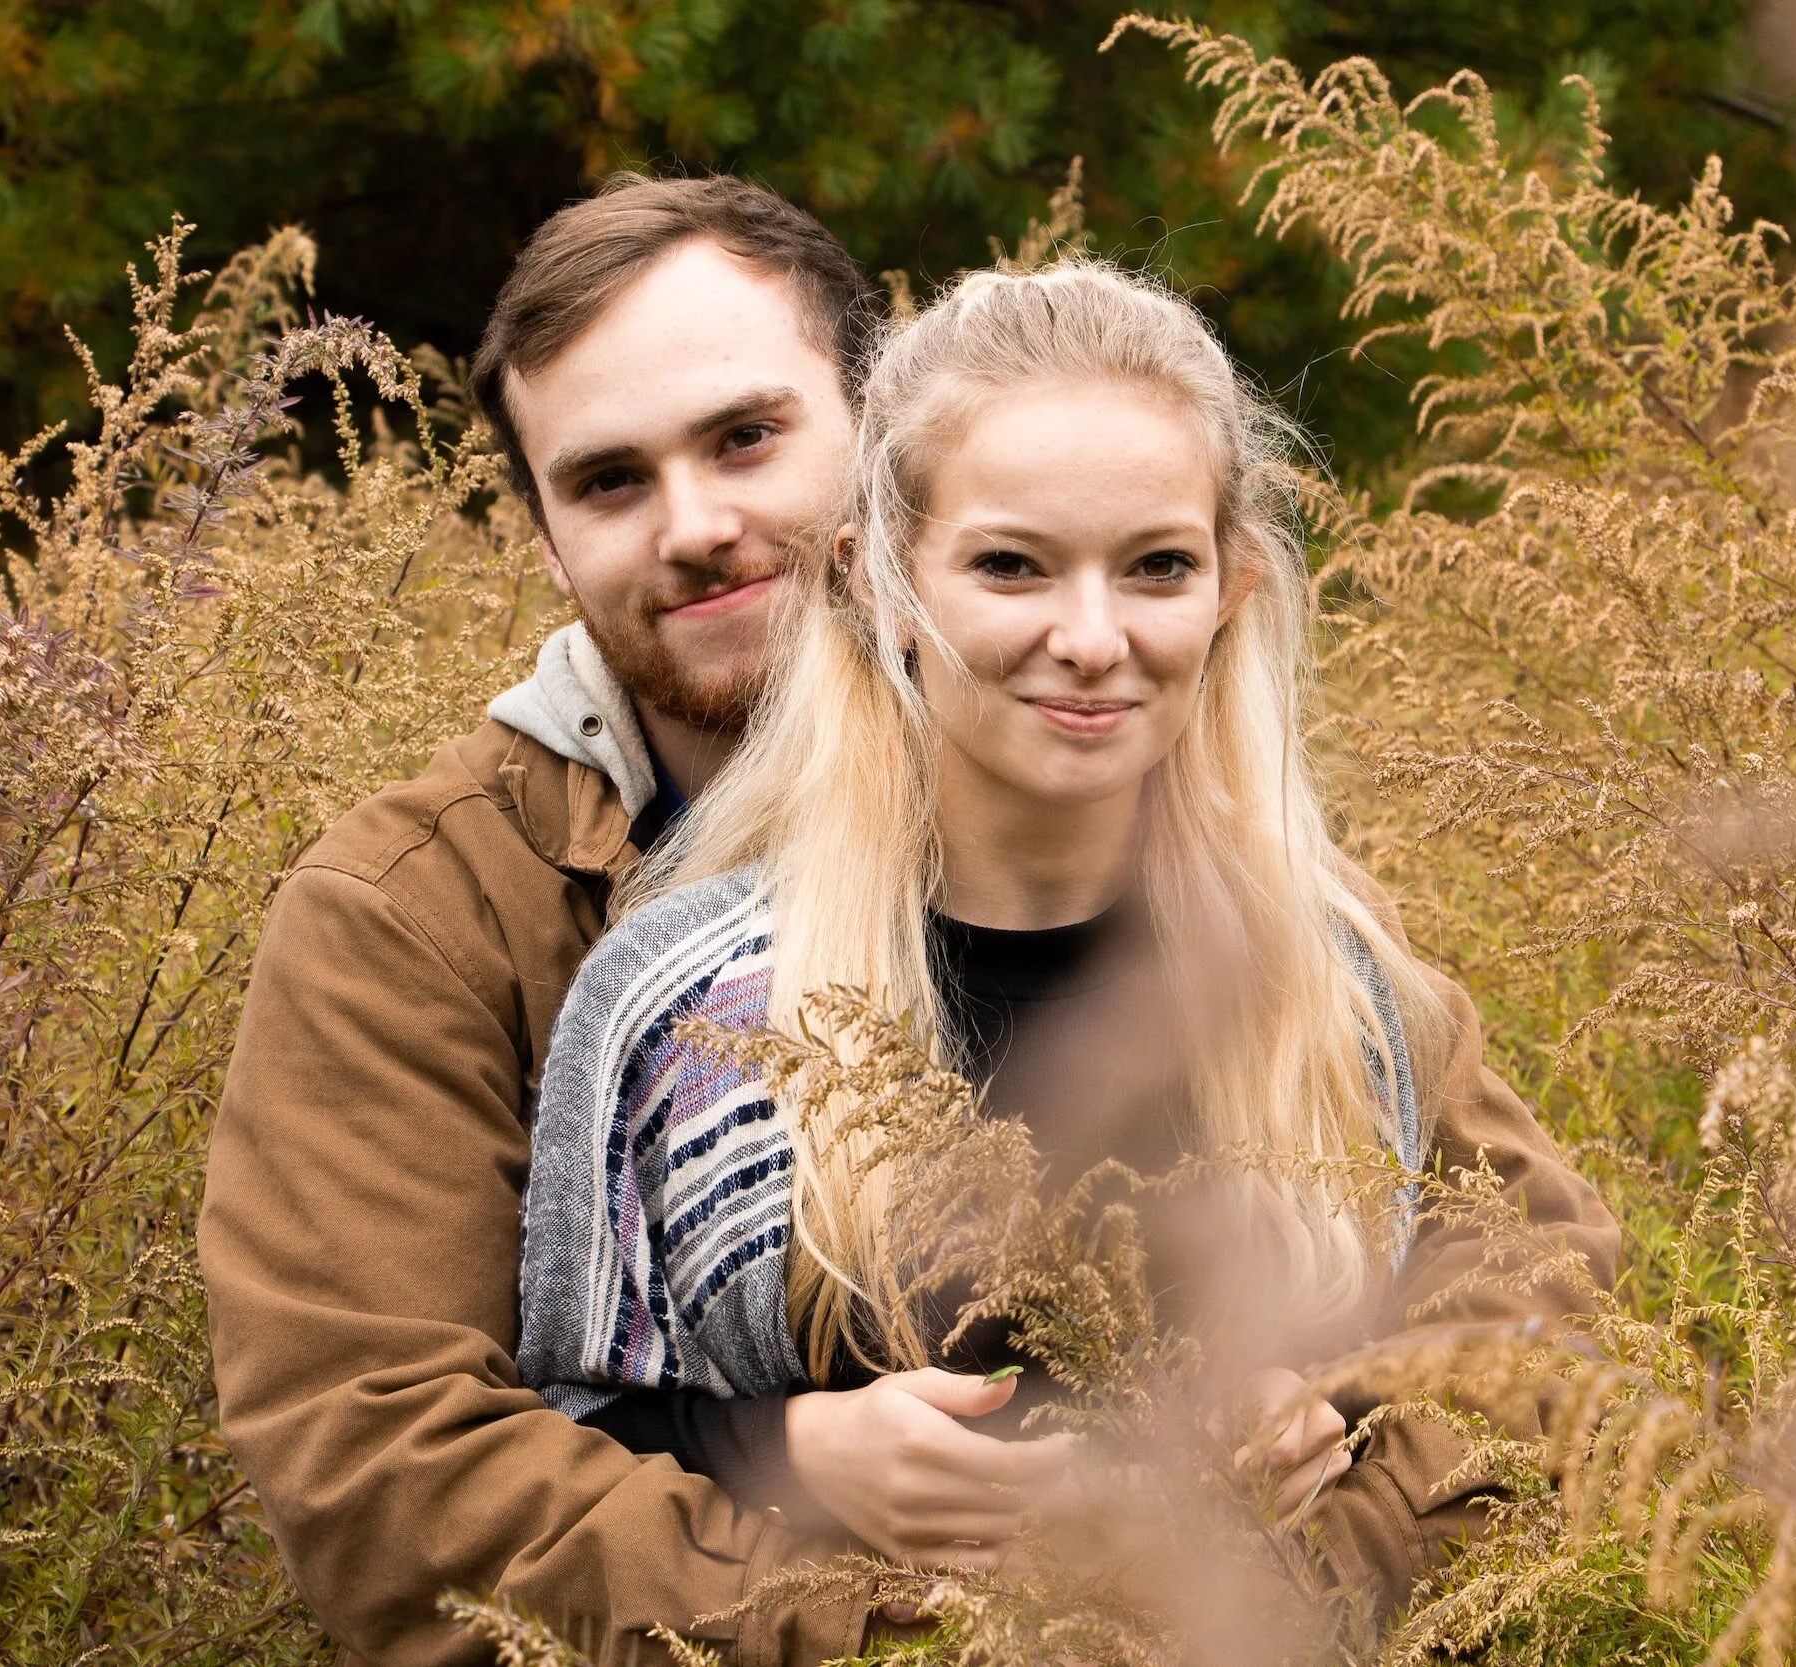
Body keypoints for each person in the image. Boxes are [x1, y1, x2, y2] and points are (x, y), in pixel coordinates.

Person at [516, 260, 1622, 1625]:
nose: (1091, 638)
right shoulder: (685, 996)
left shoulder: (1324, 979)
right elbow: (568, 1424)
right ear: (879, 577)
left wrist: (1330, 1406)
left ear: (1232, 586)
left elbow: (1521, 1321)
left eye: (1156, 565)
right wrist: (798, 1453)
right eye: (1010, 565)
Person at [198, 174, 897, 1667]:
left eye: (746, 437)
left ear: (882, 426)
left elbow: (1506, 1289)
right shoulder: (410, 916)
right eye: (609, 481)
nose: (695, 525)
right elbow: (394, 1481)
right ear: (548, 543)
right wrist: (955, 1635)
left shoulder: (1106, 775)